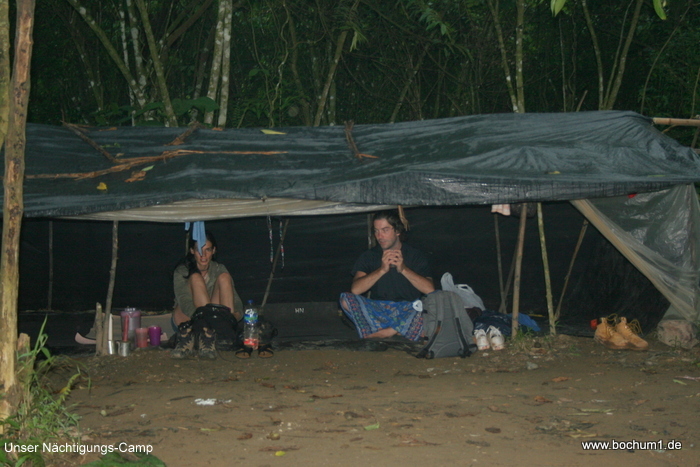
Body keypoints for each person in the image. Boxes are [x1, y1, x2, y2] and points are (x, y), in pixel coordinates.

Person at [339, 210, 435, 341]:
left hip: (408, 309)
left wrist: (403, 269)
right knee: (346, 299)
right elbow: (356, 290)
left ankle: (386, 332)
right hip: (380, 310)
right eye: (376, 231)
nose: (380, 236)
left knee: (431, 306)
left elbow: (430, 289)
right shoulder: (369, 256)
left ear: (397, 231)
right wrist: (382, 270)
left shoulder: (415, 255)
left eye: (385, 230)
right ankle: (401, 329)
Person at [171, 230, 243, 359]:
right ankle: (202, 334)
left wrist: (235, 316)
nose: (203, 255)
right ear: (192, 251)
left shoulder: (219, 268)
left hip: (214, 318)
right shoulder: (182, 271)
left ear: (214, 250)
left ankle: (224, 333)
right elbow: (184, 301)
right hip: (188, 317)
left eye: (208, 250)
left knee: (224, 277)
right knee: (196, 278)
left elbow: (235, 299)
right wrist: (204, 320)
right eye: (199, 250)